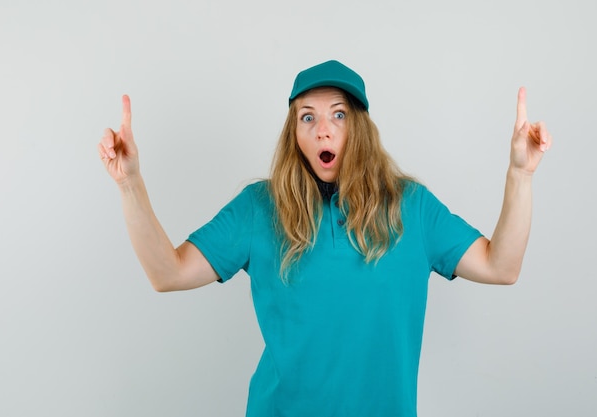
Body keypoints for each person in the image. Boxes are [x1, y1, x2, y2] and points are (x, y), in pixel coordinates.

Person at [98, 60, 551, 416]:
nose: (323, 129)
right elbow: (167, 273)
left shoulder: (411, 206)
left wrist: (520, 174)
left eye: (338, 114)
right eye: (306, 117)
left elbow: (502, 266)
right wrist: (129, 184)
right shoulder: (259, 207)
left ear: (361, 127)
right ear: (294, 134)